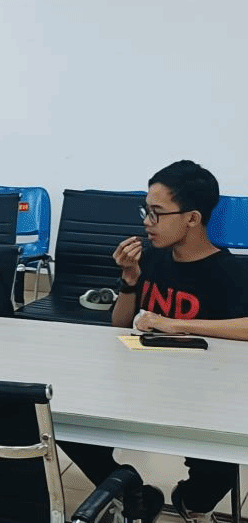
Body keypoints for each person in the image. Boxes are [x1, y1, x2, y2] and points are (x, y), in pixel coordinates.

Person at [61, 160, 248, 523]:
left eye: (157, 213)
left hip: (202, 393)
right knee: (65, 416)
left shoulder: (231, 272)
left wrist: (176, 324)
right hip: (140, 383)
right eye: (145, 210)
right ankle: (128, 490)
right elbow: (119, 325)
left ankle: (190, 499)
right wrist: (129, 279)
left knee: (222, 459)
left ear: (192, 218)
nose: (147, 222)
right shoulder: (151, 260)